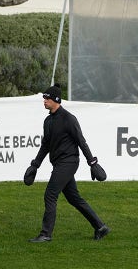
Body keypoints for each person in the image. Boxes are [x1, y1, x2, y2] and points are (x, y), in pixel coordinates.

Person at [27, 84, 109, 243]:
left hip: (69, 162)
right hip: (59, 164)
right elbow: (45, 145)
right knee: (74, 198)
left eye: (47, 98)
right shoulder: (48, 121)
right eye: (44, 98)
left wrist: (92, 163)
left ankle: (45, 234)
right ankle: (100, 227)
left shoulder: (69, 119)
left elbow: (81, 142)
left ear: (56, 100)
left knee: (50, 195)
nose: (44, 101)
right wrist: (35, 165)